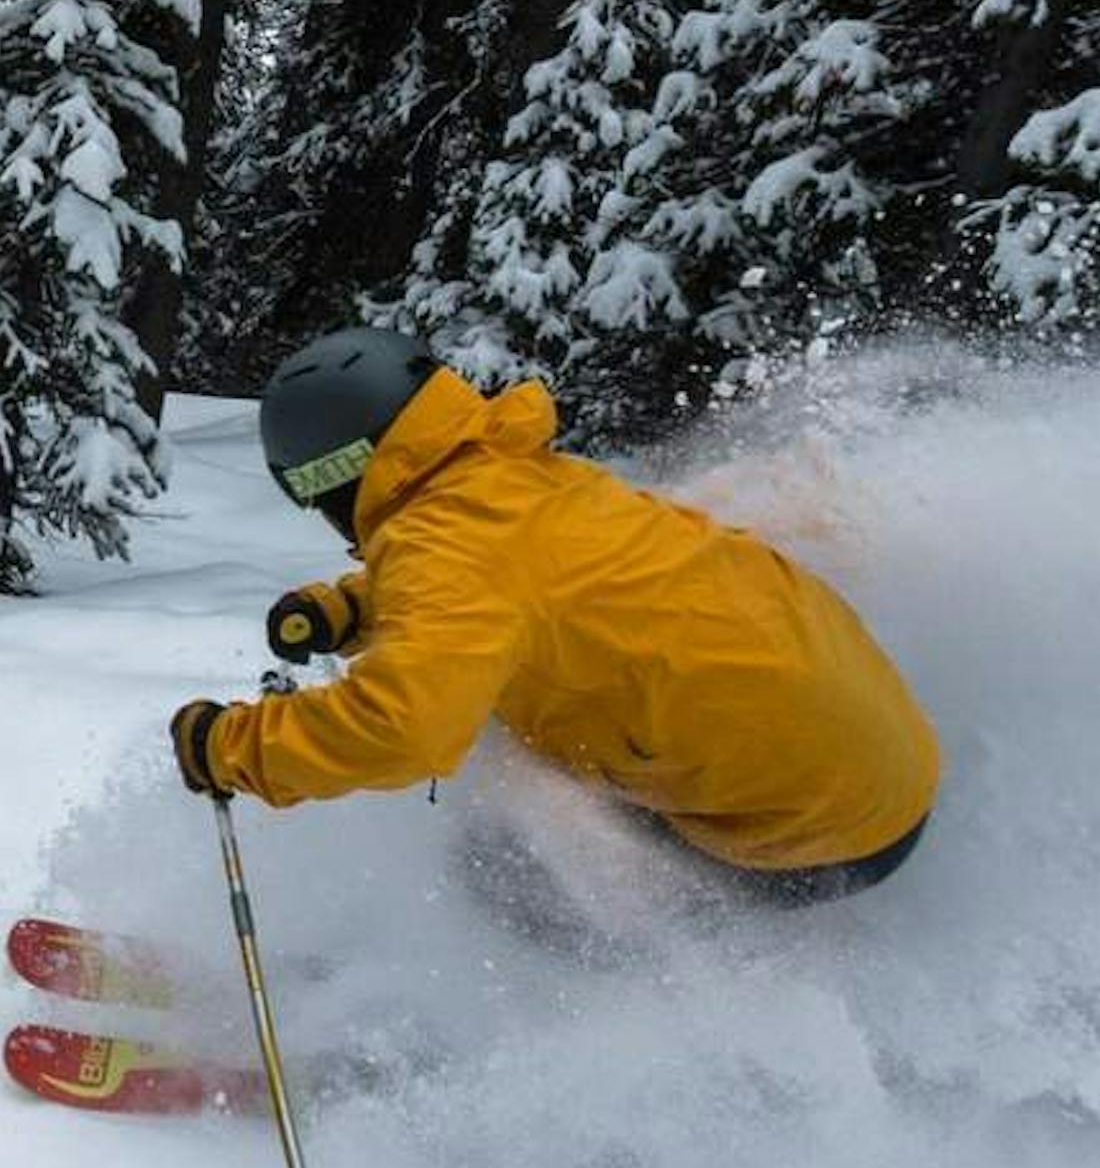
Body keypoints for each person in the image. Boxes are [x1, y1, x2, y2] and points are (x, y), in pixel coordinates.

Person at [168, 329, 939, 908]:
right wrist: (349, 608)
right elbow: (517, 581)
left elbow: (403, 729)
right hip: (887, 761)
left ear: (327, 478)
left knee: (506, 866)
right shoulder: (523, 477)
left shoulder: (447, 549)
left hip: (815, 831)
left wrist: (233, 746)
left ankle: (585, 1040)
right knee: (538, 781)